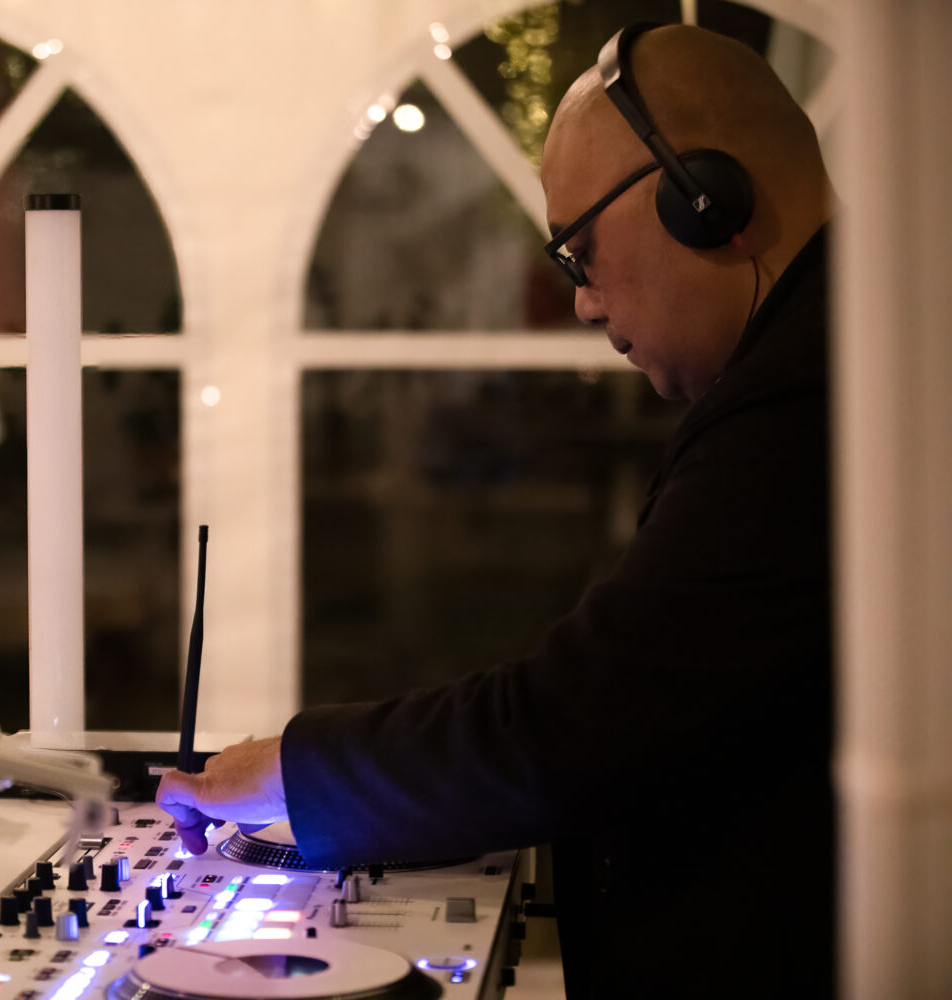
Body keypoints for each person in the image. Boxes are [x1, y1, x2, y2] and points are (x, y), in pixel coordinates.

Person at [157, 23, 835, 998]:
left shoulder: (809, 400)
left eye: (580, 250)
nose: (583, 303)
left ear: (702, 199)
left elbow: (581, 721)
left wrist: (291, 771)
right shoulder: (823, 359)